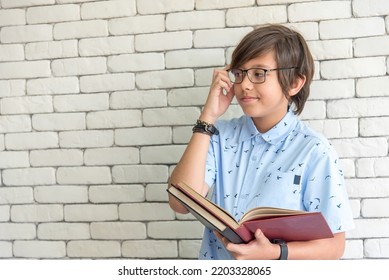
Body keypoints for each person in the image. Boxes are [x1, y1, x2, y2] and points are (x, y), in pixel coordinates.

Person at [168, 24, 354, 260]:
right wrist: (208, 117)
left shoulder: (314, 151)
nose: (244, 84)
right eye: (239, 73)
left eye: (258, 74)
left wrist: (276, 253)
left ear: (295, 83)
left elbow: (334, 247)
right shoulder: (218, 135)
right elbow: (179, 203)